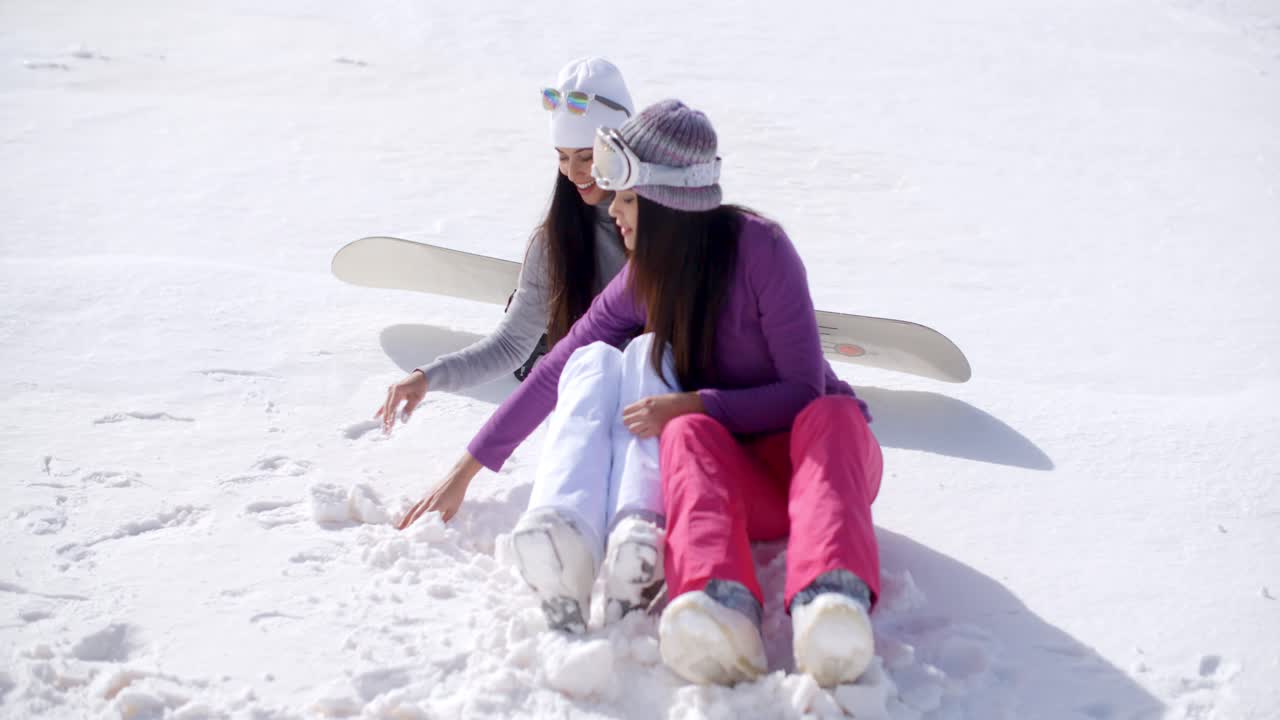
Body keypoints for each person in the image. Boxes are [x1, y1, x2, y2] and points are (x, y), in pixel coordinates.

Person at [402, 99, 884, 688]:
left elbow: (803, 392)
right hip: (743, 484)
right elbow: (560, 365)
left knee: (828, 412)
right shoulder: (643, 280)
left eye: (627, 202)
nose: (615, 215)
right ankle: (718, 606)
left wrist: (699, 402)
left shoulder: (763, 250)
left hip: (821, 463)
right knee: (684, 434)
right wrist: (466, 469)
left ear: (666, 205)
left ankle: (832, 607)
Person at [377, 56, 633, 448]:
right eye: (562, 158)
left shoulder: (668, 227)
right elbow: (511, 344)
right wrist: (427, 377)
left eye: (586, 156)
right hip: (591, 402)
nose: (573, 172)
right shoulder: (556, 241)